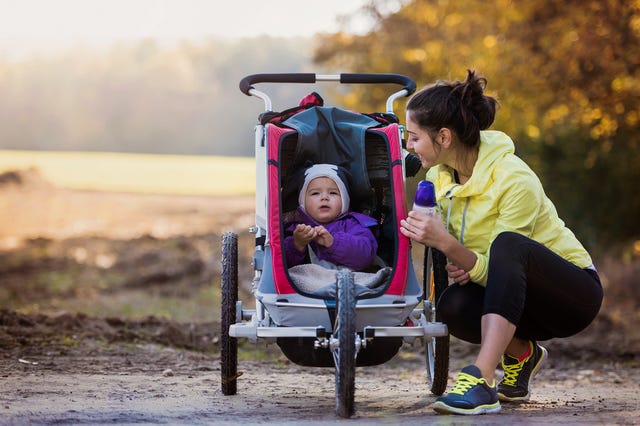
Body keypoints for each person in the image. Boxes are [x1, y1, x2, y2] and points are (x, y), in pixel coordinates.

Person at [399, 70, 603, 415]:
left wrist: (450, 246)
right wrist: (462, 259)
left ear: (444, 137)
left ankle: (481, 378)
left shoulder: (514, 178)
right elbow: (485, 267)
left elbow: (505, 256)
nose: (408, 146)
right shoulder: (438, 178)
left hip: (571, 295)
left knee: (510, 244)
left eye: (414, 137)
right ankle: (523, 354)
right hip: (515, 299)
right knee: (453, 306)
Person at [284, 163, 379, 271]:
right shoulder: (296, 230)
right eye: (315, 193)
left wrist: (333, 242)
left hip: (351, 282)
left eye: (333, 193)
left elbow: (366, 257)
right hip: (311, 284)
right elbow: (284, 268)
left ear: (344, 201)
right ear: (303, 203)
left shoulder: (354, 224)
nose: (324, 197)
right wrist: (297, 245)